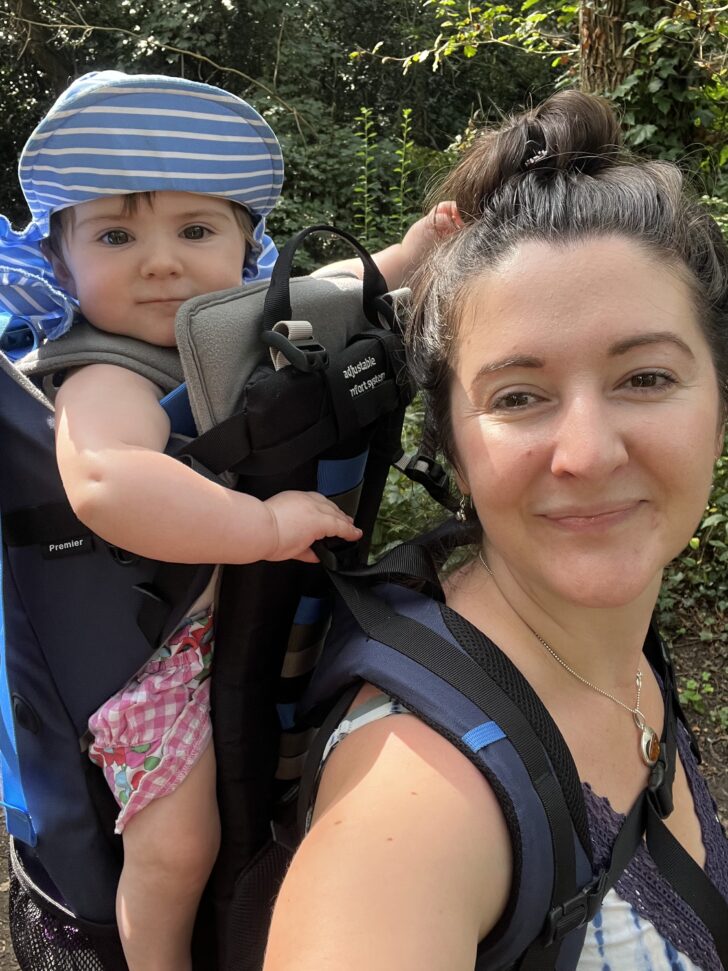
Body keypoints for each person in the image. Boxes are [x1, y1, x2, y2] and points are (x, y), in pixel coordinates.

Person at [0, 71, 456, 971]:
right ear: (61, 261)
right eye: (116, 235)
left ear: (247, 249)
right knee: (177, 845)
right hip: (147, 662)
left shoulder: (223, 320)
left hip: (231, 622)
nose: (160, 261)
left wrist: (402, 257)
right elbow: (106, 480)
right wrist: (262, 522)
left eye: (195, 230)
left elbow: (319, 288)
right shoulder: (104, 374)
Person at [263, 90, 728, 971]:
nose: (587, 453)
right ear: (449, 444)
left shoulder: (615, 639)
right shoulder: (415, 805)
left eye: (647, 377)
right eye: (519, 397)